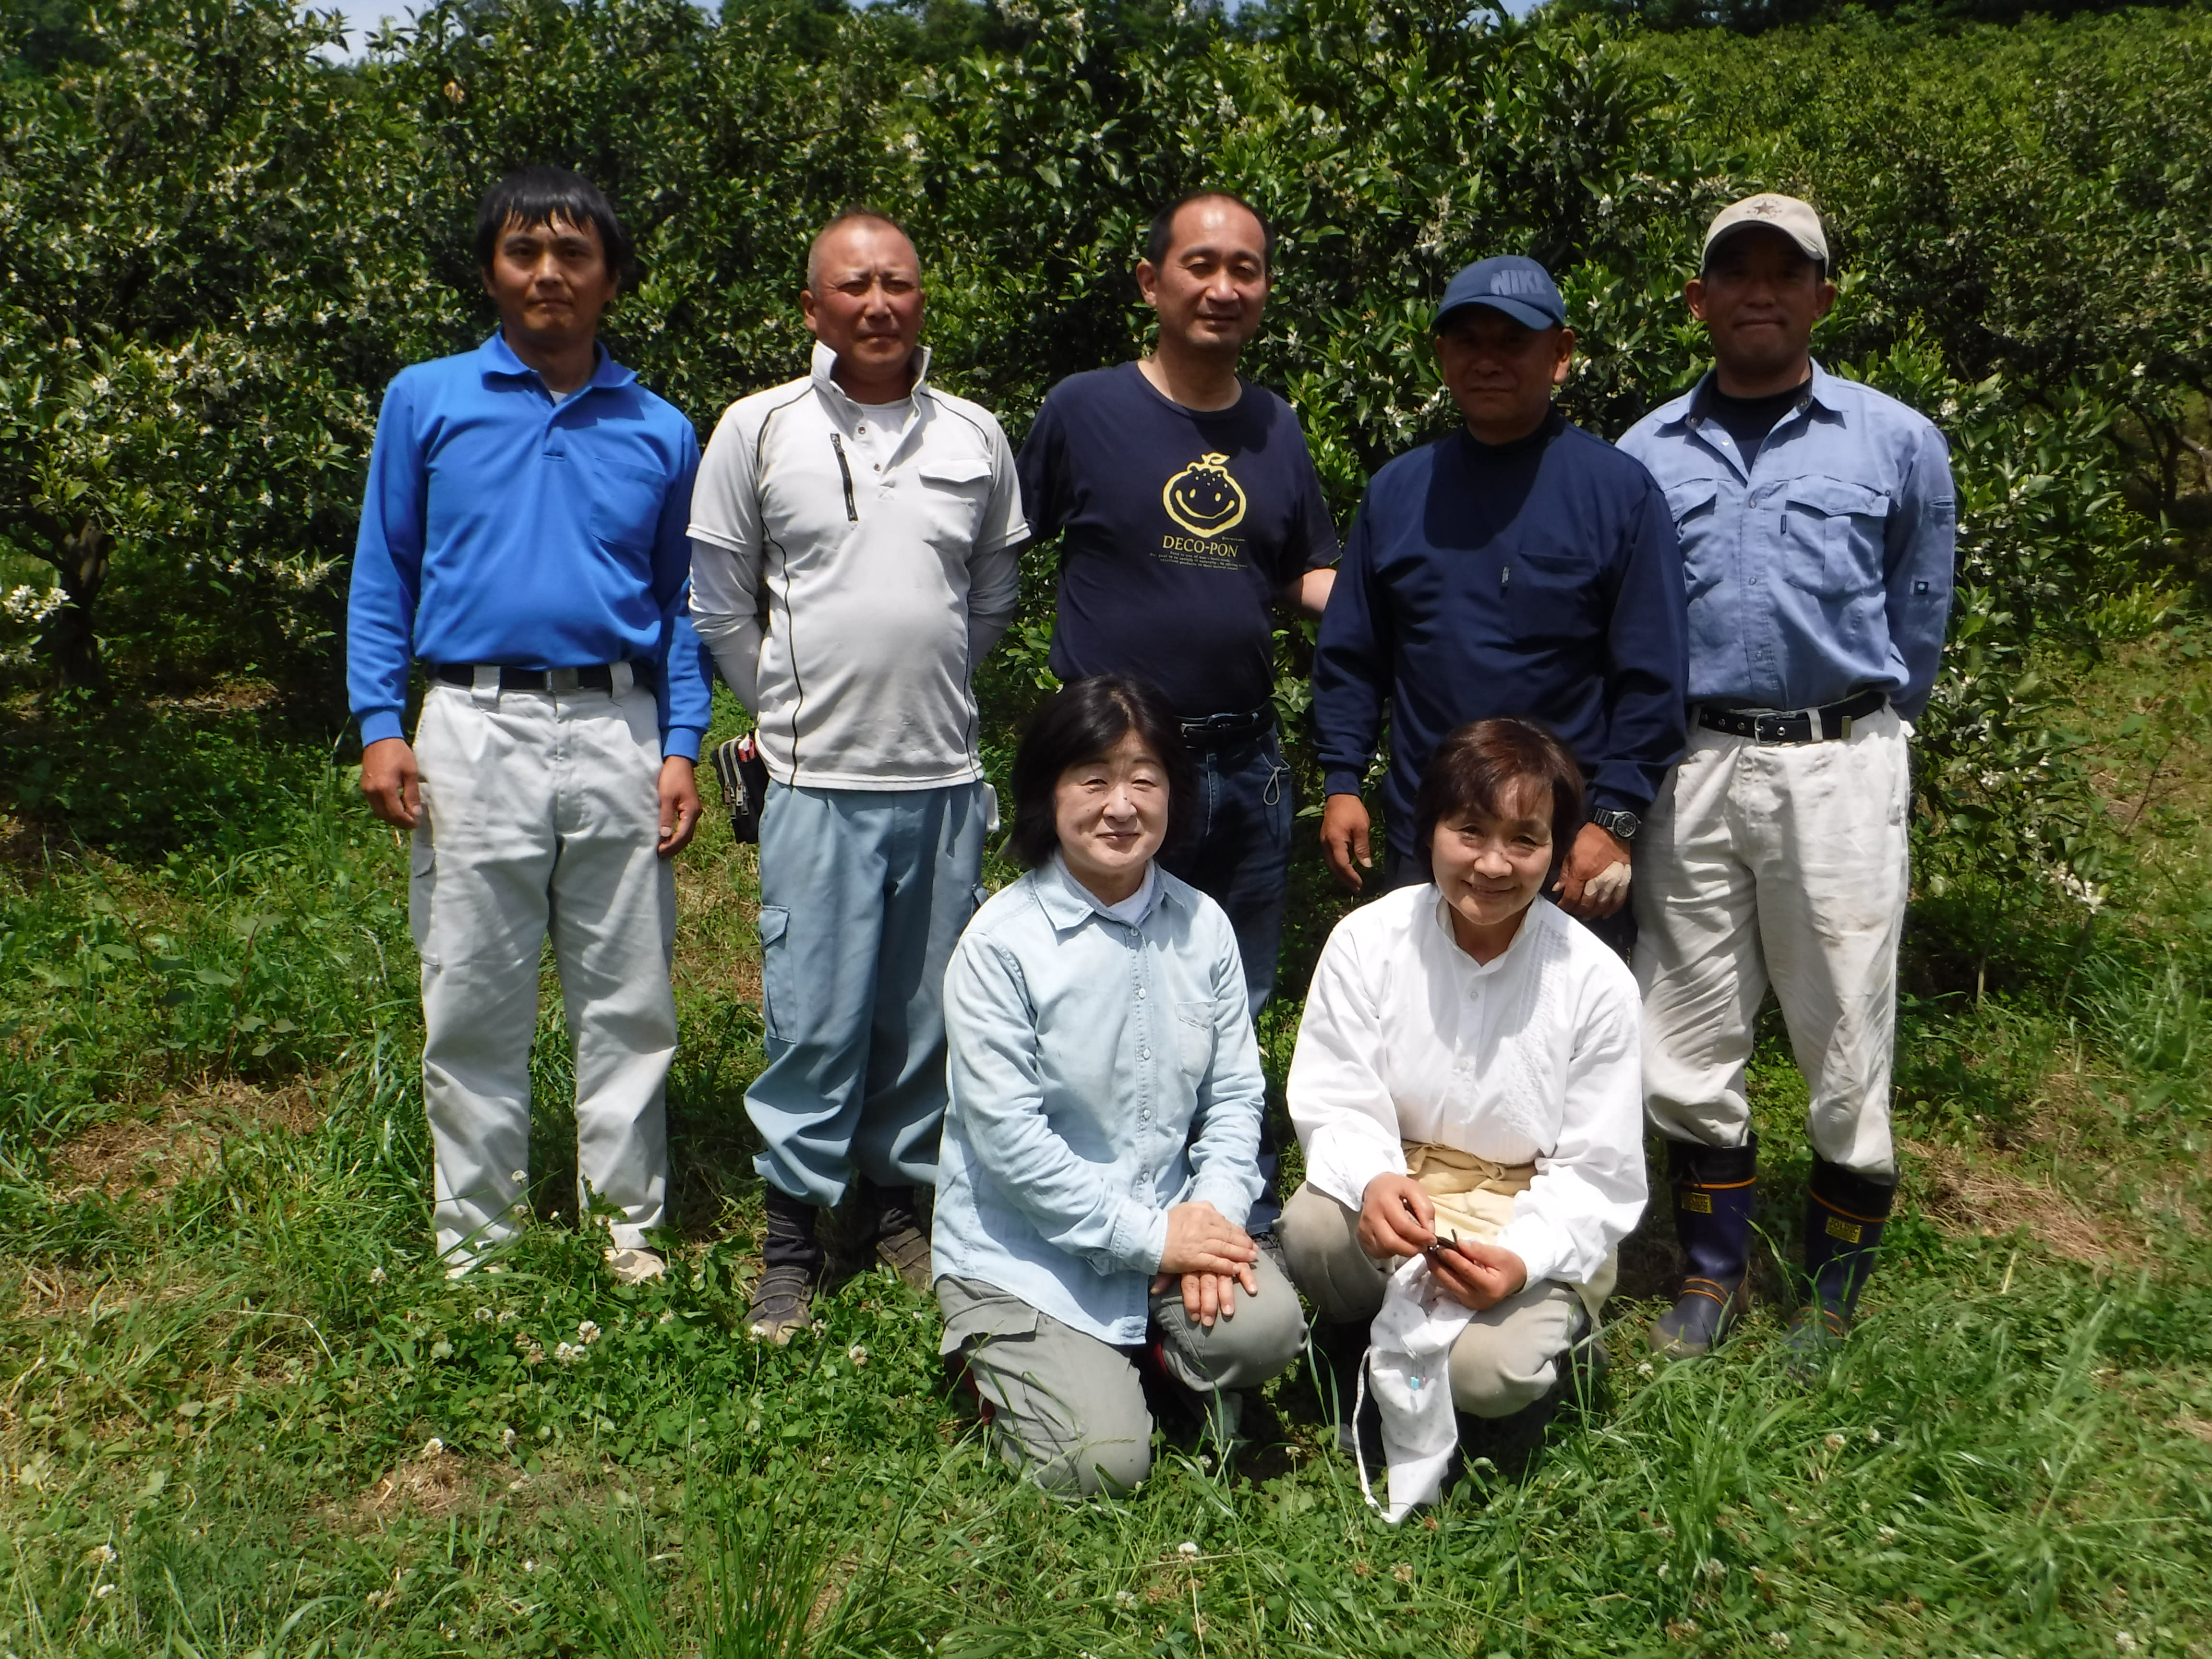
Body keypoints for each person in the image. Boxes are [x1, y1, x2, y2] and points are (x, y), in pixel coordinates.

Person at [347, 166, 708, 1281]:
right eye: (523, 252)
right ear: (493, 269)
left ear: (610, 279)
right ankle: (478, 1245)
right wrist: (378, 721)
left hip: (616, 725)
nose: (547, 273)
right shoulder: (428, 399)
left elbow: (681, 605)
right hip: (468, 722)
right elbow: (383, 570)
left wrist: (683, 743)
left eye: (573, 255)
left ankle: (627, 1230)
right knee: (470, 988)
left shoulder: (659, 428)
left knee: (629, 993)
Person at [1616, 194, 1955, 1361]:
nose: (1761, 290)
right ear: (1699, 299)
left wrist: (1875, 730)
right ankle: (1709, 1278)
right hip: (1693, 763)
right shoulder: (1644, 451)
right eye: (1736, 271)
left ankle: (1830, 1291)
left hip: (1840, 763)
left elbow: (1922, 601)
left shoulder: (1897, 440)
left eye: (1786, 271)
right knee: (1687, 1023)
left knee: (1847, 1022)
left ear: (1823, 294)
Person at [687, 207, 1027, 1341]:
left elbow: (990, 598)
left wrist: (920, 692)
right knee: (814, 1019)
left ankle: (891, 1207)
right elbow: (723, 605)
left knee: (921, 1019)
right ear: (813, 307)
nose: (878, 303)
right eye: (853, 286)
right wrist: (784, 711)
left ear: (923, 300)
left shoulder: (975, 434)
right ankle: (793, 1234)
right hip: (814, 779)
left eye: (899, 284)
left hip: (939, 780)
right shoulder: (758, 428)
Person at [932, 676, 1305, 1497]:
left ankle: (1160, 1355)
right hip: (1026, 1251)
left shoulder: (1203, 924)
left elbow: (1238, 1096)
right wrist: (1154, 1241)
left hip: (1170, 1226)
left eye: (1144, 779)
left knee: (1272, 1330)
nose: (1121, 805)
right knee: (1100, 1465)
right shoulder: (1001, 946)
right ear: (1047, 793)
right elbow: (1013, 1149)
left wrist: (1208, 1219)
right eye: (1093, 779)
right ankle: (996, 1360)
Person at [1280, 718, 1645, 1513]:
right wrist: (1374, 1177)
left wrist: (1518, 1259)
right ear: (1432, 829)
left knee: (1488, 1374)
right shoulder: (1368, 941)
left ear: (1556, 849)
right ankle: (1356, 1339)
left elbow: (1597, 1172)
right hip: (1402, 1185)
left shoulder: (1595, 981)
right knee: (1310, 1228)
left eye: (1524, 839)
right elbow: (1338, 1092)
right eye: (1468, 831)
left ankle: (1547, 1348)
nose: (1490, 864)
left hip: (1523, 1209)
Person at [1017, 191, 1339, 1017]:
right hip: (1112, 764)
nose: (1223, 288)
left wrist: (1418, 612)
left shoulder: (1277, 425)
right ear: (1150, 281)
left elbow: (1305, 572)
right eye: (1201, 265)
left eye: (1246, 269)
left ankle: (1229, 1150)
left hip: (1246, 763)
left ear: (1265, 290)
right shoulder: (1083, 409)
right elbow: (1001, 546)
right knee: (1093, 987)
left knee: (1234, 990)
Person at [1310, 256, 1688, 950]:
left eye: (1512, 341)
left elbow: (1654, 680)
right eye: (1468, 341)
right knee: (1423, 1040)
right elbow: (1352, 656)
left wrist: (1615, 822)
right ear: (1442, 356)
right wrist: (1341, 779)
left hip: (1564, 849)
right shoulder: (1396, 494)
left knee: (1565, 1048)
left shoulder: (1619, 494)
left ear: (1561, 354)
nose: (1488, 360)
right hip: (1427, 840)